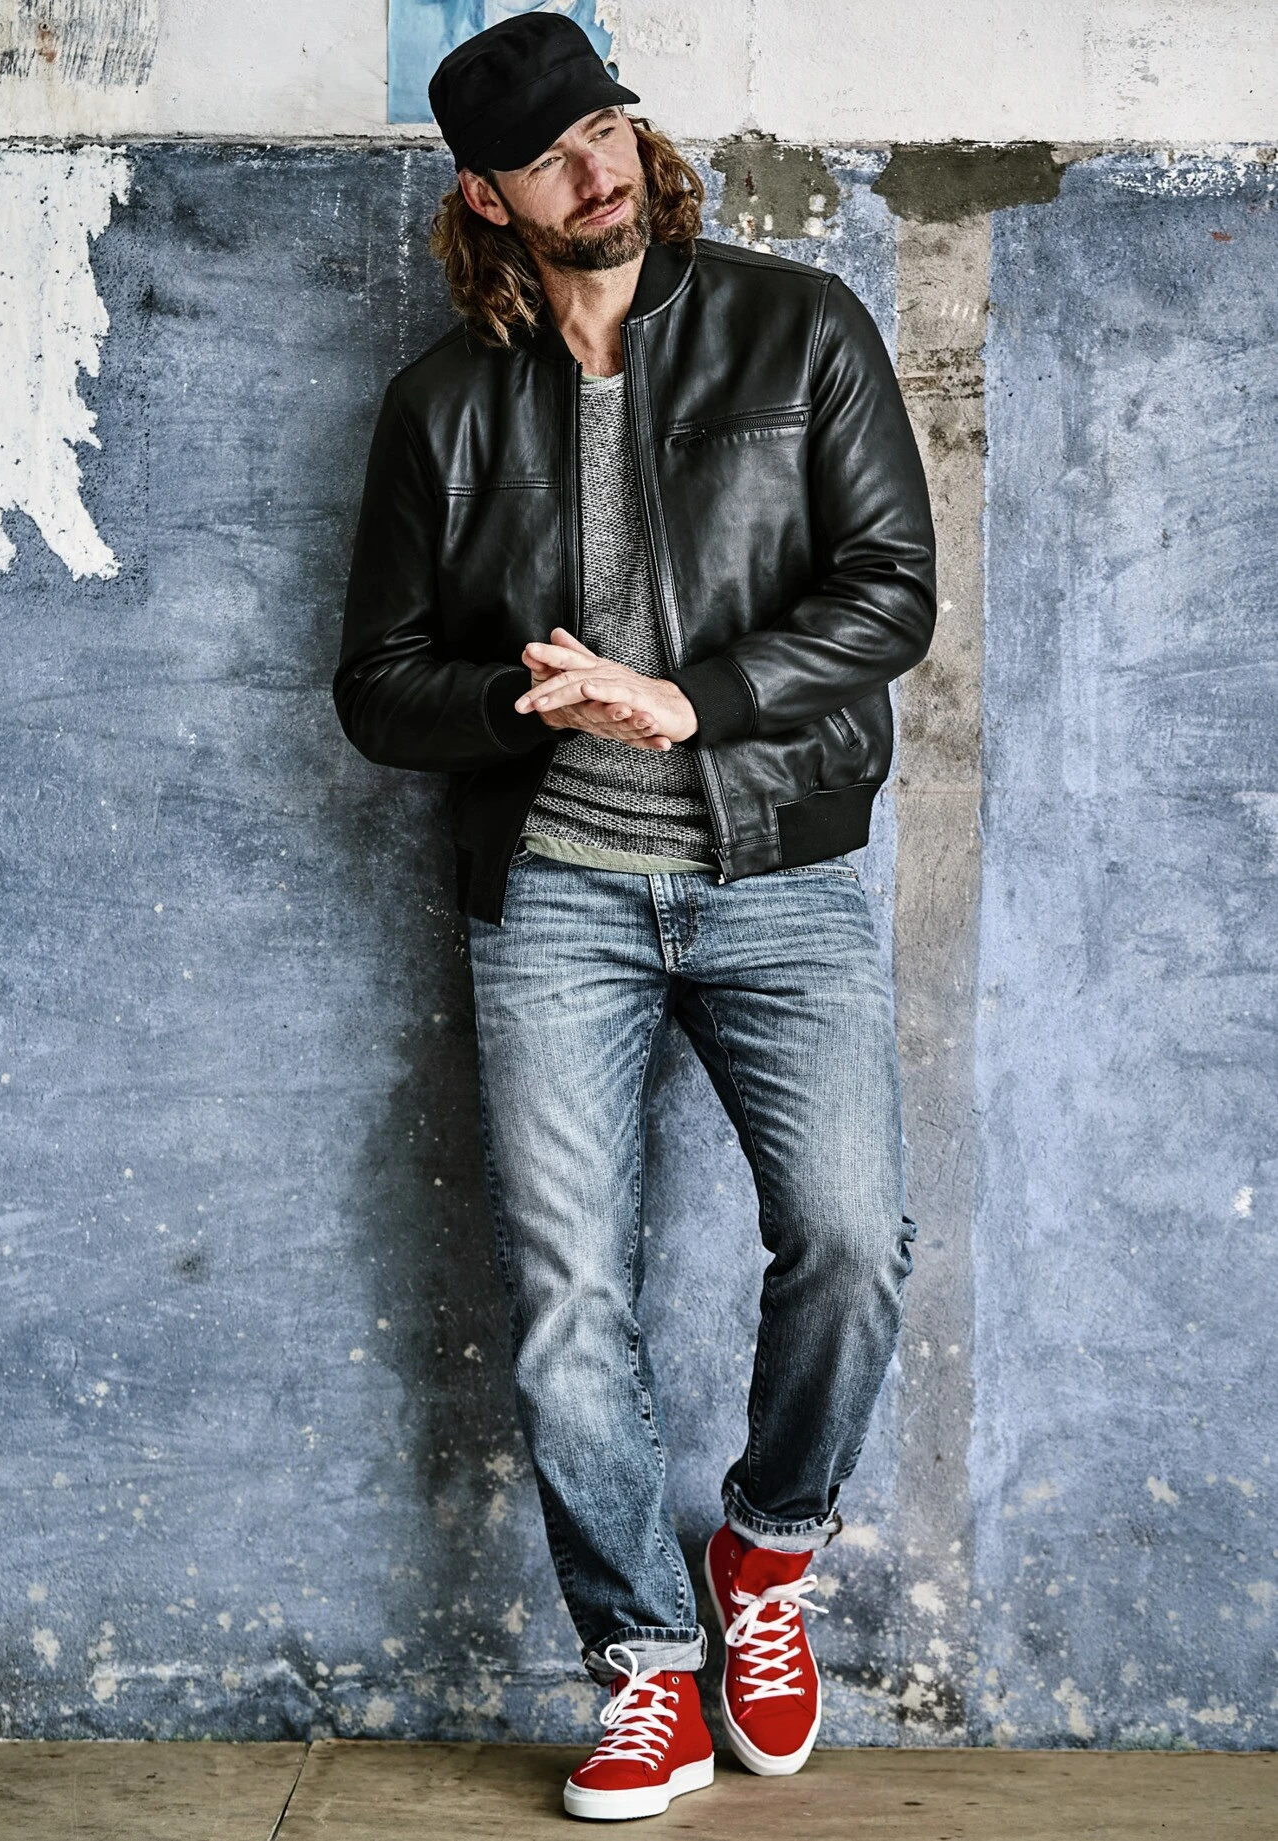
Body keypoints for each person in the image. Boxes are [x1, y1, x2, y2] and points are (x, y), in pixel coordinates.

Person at [334, 13, 935, 1822]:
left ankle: (766, 1551)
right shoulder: (443, 405)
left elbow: (891, 591)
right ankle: (646, 1669)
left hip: (780, 874)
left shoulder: (798, 327)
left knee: (851, 1241)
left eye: (608, 127)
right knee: (565, 1299)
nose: (597, 170)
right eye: (550, 156)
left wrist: (694, 701)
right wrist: (527, 703)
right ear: (488, 198)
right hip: (556, 902)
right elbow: (375, 687)